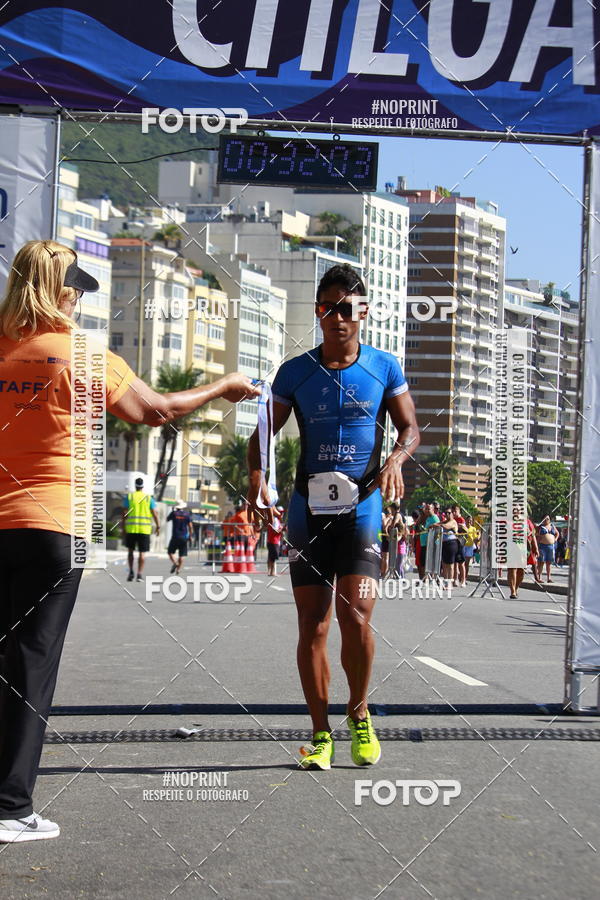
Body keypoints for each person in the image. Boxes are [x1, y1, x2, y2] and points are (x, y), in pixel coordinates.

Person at [0, 240, 260, 843]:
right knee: (31, 663)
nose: (79, 298)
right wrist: (221, 389)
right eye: (77, 288)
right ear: (60, 290)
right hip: (54, 527)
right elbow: (158, 410)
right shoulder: (87, 357)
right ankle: (11, 809)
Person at [248, 264, 419, 771]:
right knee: (313, 626)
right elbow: (262, 435)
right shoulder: (295, 371)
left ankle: (359, 712)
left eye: (347, 308)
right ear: (317, 312)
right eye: (327, 308)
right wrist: (258, 480)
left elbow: (410, 429)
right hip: (307, 510)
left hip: (363, 507)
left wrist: (394, 460)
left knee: (357, 618)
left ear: (362, 313)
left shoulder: (384, 367)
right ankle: (320, 733)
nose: (337, 318)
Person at [121, 477, 160, 582]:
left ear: (135, 485)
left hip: (131, 529)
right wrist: (158, 526)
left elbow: (124, 514)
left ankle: (131, 572)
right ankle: (139, 574)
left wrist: (123, 527)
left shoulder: (129, 497)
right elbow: (154, 513)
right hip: (144, 530)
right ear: (142, 486)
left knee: (130, 552)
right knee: (142, 553)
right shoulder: (148, 498)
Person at [167, 499, 194, 574]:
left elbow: (167, 519)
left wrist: (172, 511)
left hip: (175, 536)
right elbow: (191, 527)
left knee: (170, 552)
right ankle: (178, 569)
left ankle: (175, 563)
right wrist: (190, 536)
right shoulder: (187, 514)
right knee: (181, 555)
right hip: (184, 537)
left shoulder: (174, 513)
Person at [418, 502, 439, 580]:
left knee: (428, 562)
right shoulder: (428, 518)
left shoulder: (434, 518)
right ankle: (425, 578)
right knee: (423, 562)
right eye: (426, 509)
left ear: (433, 509)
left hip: (429, 544)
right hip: (424, 543)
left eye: (428, 509)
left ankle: (429, 579)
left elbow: (438, 527)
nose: (426, 510)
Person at [440, 507, 461, 585]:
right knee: (444, 564)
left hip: (451, 543)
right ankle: (445, 582)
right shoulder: (444, 521)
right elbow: (440, 524)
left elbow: (446, 526)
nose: (447, 514)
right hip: (444, 543)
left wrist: (439, 524)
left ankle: (450, 583)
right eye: (446, 513)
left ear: (452, 514)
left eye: (449, 513)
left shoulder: (453, 522)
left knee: (451, 565)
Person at [537, 515, 559, 583]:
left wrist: (555, 539)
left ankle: (549, 578)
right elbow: (536, 534)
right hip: (542, 546)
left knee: (549, 563)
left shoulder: (552, 526)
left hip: (551, 546)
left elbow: (557, 533)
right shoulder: (540, 527)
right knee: (541, 562)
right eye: (545, 519)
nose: (547, 520)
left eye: (548, 518)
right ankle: (539, 577)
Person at [267, 506, 284, 576]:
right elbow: (275, 531)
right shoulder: (276, 520)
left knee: (271, 557)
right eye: (281, 512)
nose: (282, 514)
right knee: (273, 557)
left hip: (272, 541)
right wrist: (282, 529)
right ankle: (272, 572)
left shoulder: (274, 519)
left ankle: (270, 571)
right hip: (273, 541)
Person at [462, 515, 479, 581]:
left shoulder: (473, 529)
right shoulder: (463, 527)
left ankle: (465, 578)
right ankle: (461, 577)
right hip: (463, 546)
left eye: (470, 521)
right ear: (465, 520)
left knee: (467, 563)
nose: (469, 521)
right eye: (468, 520)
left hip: (470, 546)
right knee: (462, 563)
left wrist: (479, 535)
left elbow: (475, 539)